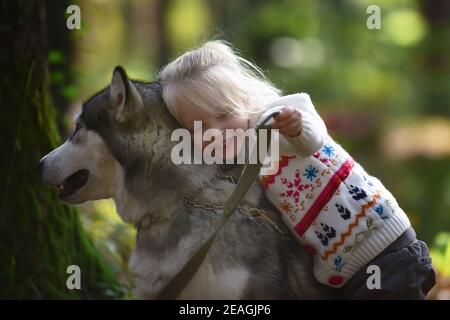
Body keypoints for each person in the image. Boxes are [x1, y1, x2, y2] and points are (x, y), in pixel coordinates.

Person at [159, 40, 436, 299]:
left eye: (223, 115)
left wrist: (294, 126)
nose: (215, 132)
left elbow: (310, 140)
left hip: (384, 250)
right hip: (346, 274)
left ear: (245, 100)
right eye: (199, 126)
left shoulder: (275, 121)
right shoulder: (239, 164)